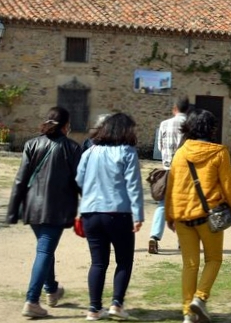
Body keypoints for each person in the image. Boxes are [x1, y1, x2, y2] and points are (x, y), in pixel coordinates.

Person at [6, 107, 84, 319]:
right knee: (44, 251)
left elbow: (21, 179)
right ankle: (32, 300)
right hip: (56, 210)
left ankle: (51, 289)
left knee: (45, 248)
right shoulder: (72, 148)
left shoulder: (32, 144)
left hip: (32, 207)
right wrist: (88, 204)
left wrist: (13, 210)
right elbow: (79, 182)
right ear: (66, 126)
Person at [165, 109, 231, 323]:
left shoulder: (180, 153)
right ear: (212, 129)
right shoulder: (219, 152)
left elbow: (171, 186)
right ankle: (200, 298)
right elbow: (229, 186)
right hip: (209, 217)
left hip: (182, 217)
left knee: (190, 265)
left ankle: (187, 314)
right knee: (214, 259)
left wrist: (169, 215)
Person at [76, 112, 145, 321]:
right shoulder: (127, 152)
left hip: (90, 213)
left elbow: (78, 180)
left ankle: (94, 308)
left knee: (98, 263)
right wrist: (138, 214)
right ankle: (117, 303)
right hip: (118, 213)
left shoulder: (90, 152)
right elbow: (134, 185)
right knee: (124, 260)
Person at [150, 95, 190, 254]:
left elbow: (160, 147)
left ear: (174, 109)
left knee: (162, 205)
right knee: (184, 206)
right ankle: (182, 240)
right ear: (188, 109)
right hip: (185, 171)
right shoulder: (190, 126)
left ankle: (154, 236)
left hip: (167, 170)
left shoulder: (164, 124)